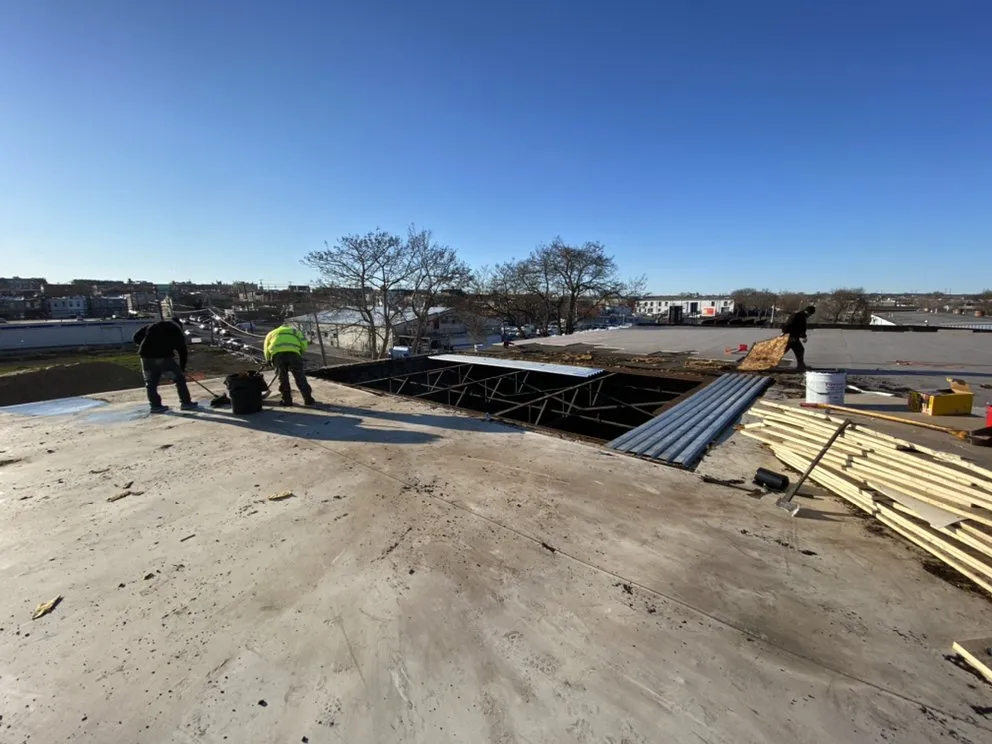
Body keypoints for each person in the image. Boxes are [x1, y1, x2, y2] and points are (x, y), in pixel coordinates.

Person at [133, 318, 198, 413]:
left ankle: (155, 406)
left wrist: (147, 345)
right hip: (163, 357)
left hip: (145, 357)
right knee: (179, 379)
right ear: (179, 325)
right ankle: (186, 403)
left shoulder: (152, 325)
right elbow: (182, 351)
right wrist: (182, 368)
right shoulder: (175, 330)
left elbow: (136, 337)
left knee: (150, 383)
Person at [263, 323, 316, 407]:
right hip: (293, 354)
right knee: (300, 377)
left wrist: (268, 359)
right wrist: (299, 353)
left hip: (277, 355)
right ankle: (308, 400)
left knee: (283, 378)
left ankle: (286, 401)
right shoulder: (295, 332)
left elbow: (266, 348)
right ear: (288, 327)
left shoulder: (272, 333)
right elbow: (304, 344)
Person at [781, 305, 816, 373]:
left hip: (794, 337)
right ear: (806, 311)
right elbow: (788, 323)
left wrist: (804, 336)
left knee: (786, 350)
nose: (809, 316)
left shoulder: (802, 317)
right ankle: (801, 366)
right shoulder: (796, 315)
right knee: (799, 350)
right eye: (810, 314)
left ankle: (801, 365)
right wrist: (783, 332)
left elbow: (801, 328)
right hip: (791, 336)